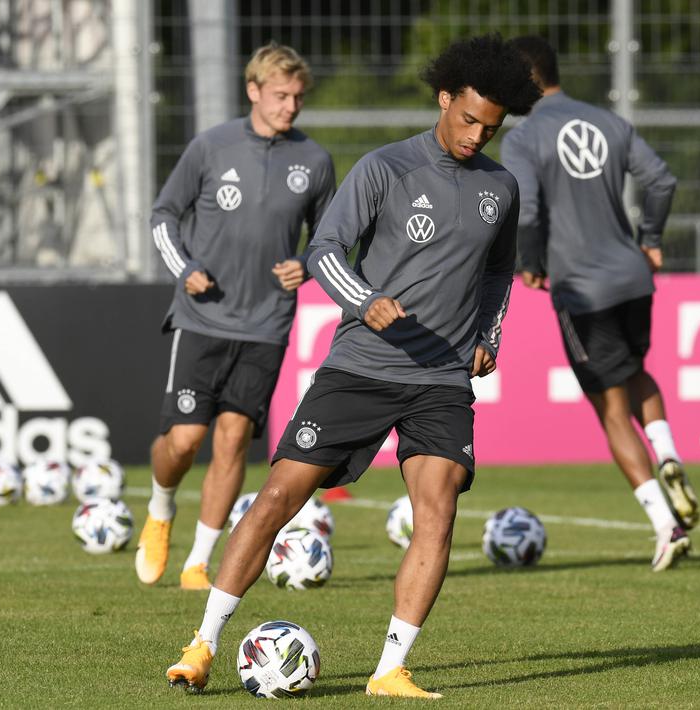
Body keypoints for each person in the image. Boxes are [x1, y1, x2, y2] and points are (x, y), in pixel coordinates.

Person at [164, 35, 540, 697]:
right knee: (278, 498)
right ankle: (203, 643)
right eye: (468, 119)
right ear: (444, 99)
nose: (478, 134)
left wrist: (490, 332)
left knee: (439, 508)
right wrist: (363, 301)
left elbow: (498, 270)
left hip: (441, 379)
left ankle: (390, 668)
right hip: (361, 369)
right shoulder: (385, 168)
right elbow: (327, 250)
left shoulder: (500, 188)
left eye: (492, 126)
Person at [137, 43, 335, 591]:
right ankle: (160, 509)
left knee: (232, 439)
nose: (290, 106)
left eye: (297, 97)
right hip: (203, 316)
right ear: (253, 91)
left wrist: (306, 266)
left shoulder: (314, 161)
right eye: (280, 96)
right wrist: (185, 269)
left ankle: (198, 562)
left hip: (267, 323)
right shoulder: (210, 146)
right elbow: (163, 216)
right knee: (183, 441)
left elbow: (328, 240)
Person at [501, 35, 696, 572]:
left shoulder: (524, 138)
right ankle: (670, 456)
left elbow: (530, 211)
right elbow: (661, 179)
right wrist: (651, 238)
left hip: (583, 289)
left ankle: (665, 525)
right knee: (637, 373)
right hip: (633, 277)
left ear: (525, 81)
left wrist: (531, 263)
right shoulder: (607, 122)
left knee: (610, 410)